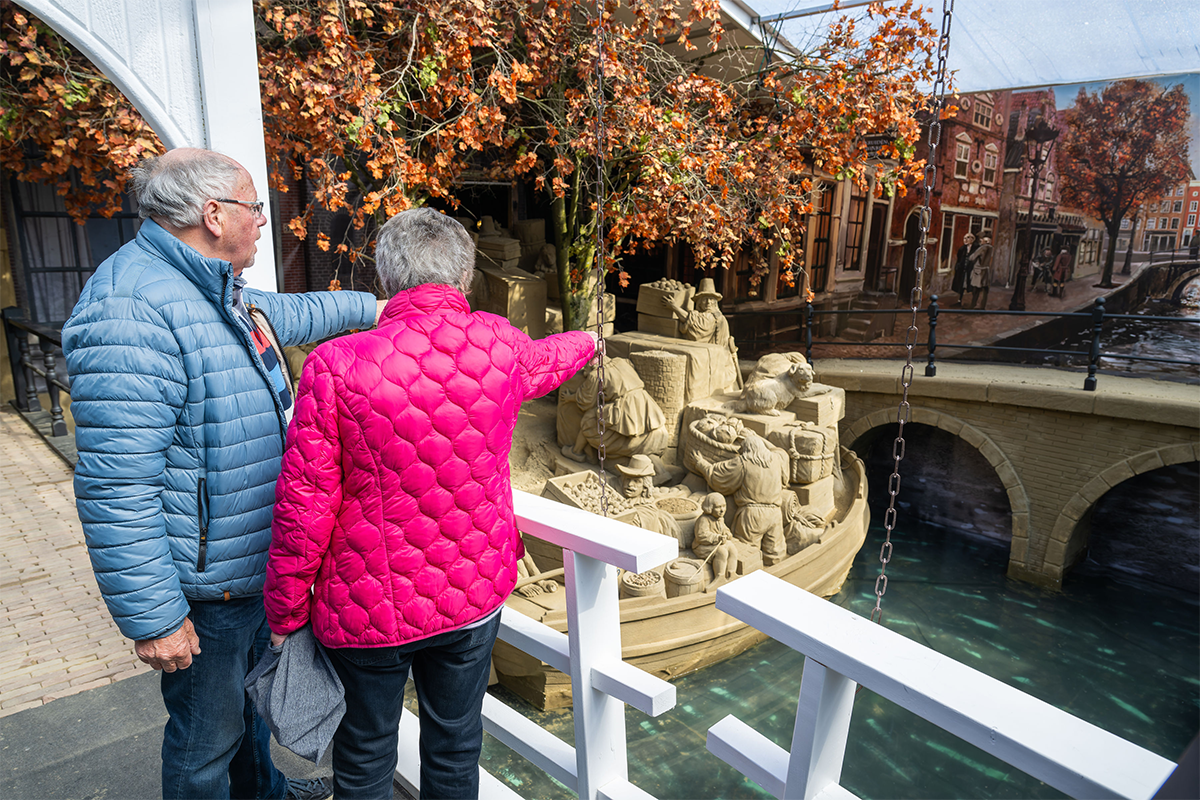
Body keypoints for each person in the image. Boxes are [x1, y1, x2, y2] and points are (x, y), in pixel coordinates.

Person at [62, 148, 384, 800]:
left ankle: (264, 795)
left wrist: (383, 309)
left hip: (245, 568)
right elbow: (116, 485)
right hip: (206, 591)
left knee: (243, 718)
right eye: (254, 206)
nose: (264, 221)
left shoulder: (212, 287)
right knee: (203, 744)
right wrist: (154, 617)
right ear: (213, 214)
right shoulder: (131, 309)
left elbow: (291, 315)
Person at [263, 207, 597, 800]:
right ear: (463, 277)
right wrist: (590, 339)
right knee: (456, 745)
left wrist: (286, 612)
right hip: (471, 594)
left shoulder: (334, 367)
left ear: (386, 280)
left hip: (368, 607)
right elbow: (550, 361)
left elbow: (305, 505)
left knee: (364, 753)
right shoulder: (499, 344)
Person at [687, 432, 791, 566]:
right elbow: (780, 451)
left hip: (752, 516)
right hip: (775, 514)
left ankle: (748, 580)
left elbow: (718, 476)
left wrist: (700, 463)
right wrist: (757, 437)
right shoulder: (777, 460)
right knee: (775, 553)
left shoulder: (743, 463)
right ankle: (776, 575)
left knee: (748, 553)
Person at [661, 277, 742, 389]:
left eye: (711, 299)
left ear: (715, 301)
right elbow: (693, 319)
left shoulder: (714, 317)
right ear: (699, 302)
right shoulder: (707, 315)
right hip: (713, 359)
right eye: (705, 299)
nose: (708, 302)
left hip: (718, 364)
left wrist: (674, 307)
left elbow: (692, 320)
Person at [614, 454, 684, 542]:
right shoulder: (617, 495)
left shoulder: (647, 512)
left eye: (636, 481)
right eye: (627, 479)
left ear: (645, 486)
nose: (630, 484)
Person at [691, 492, 739, 581]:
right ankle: (719, 577)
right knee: (722, 552)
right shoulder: (703, 520)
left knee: (732, 549)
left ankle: (731, 573)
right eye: (718, 507)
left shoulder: (720, 519)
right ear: (710, 507)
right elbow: (701, 536)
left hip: (718, 543)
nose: (722, 510)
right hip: (702, 546)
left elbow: (724, 529)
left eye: (723, 506)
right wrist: (717, 537)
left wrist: (727, 533)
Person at [963, 234, 994, 310]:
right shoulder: (991, 248)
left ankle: (973, 304)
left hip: (978, 270)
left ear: (985, 242)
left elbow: (972, 257)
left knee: (976, 289)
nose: (981, 241)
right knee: (985, 289)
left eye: (982, 240)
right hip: (986, 270)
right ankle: (982, 306)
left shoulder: (982, 248)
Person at [951, 232, 977, 298]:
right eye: (964, 238)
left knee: (971, 285)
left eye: (967, 238)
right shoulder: (962, 249)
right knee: (961, 284)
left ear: (972, 239)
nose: (965, 240)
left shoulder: (976, 248)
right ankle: (960, 298)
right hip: (962, 269)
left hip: (971, 270)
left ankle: (971, 300)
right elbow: (959, 258)